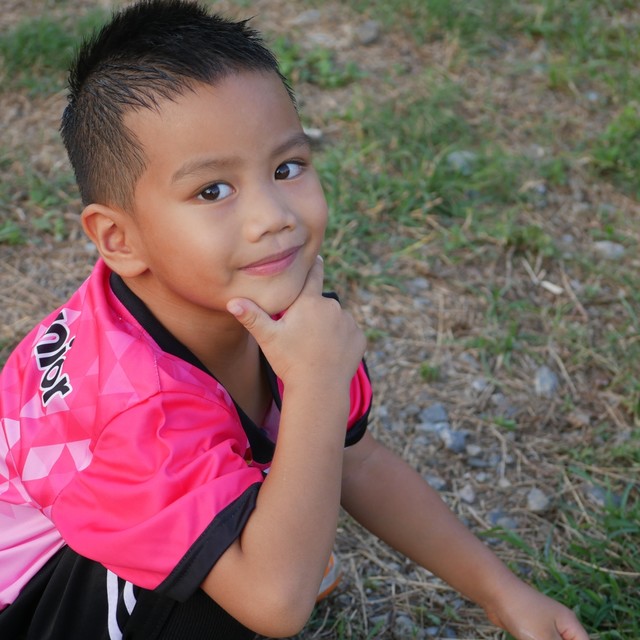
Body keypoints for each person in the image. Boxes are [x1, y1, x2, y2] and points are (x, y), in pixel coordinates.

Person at [0, 1, 590, 638]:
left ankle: (263, 536)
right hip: (31, 601)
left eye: (286, 168)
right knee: (221, 596)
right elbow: (275, 607)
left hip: (128, 513)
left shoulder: (288, 313)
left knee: (278, 518)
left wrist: (500, 591)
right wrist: (315, 386)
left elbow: (356, 462)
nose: (274, 216)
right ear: (119, 239)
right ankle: (256, 542)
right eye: (212, 191)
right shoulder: (133, 410)